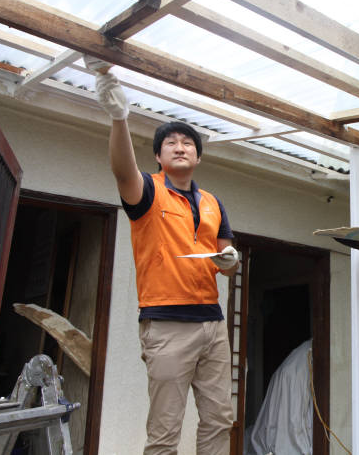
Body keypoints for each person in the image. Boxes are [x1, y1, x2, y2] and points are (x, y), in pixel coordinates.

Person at [85, 56, 238, 455]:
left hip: (213, 325)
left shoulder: (212, 202)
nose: (180, 146)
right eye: (170, 142)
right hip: (167, 323)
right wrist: (119, 118)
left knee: (220, 419)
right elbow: (122, 172)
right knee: (165, 430)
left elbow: (227, 256)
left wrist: (230, 260)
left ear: (199, 157)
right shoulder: (148, 191)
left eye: (188, 143)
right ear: (158, 156)